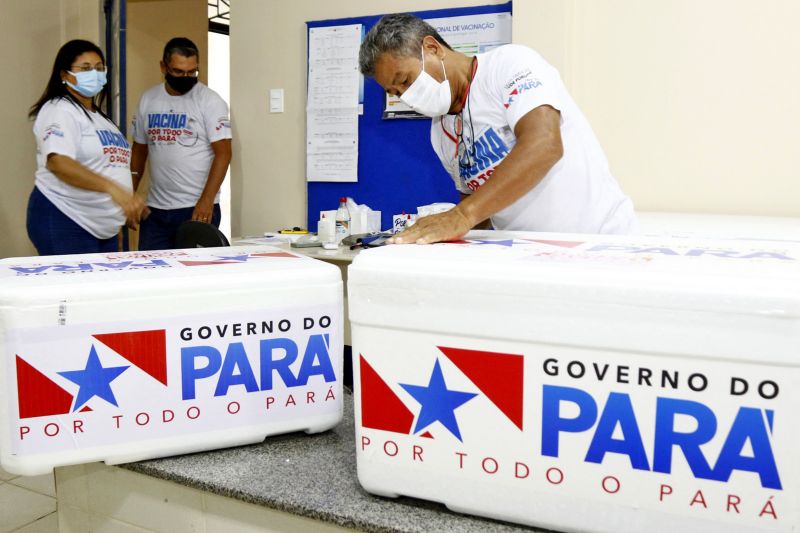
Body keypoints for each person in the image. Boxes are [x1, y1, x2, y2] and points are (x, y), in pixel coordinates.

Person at [358, 14, 638, 244]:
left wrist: (461, 216)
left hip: (599, 243)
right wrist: (442, 237)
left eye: (405, 80)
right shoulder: (440, 132)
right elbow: (477, 202)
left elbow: (544, 144)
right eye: (396, 92)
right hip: (529, 253)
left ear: (432, 48)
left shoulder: (508, 65)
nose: (406, 95)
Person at [27, 39, 145, 256]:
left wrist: (114, 220)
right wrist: (114, 190)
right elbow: (58, 162)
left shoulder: (101, 119)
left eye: (99, 68)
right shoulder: (59, 110)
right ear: (64, 75)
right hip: (67, 219)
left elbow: (110, 166)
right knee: (73, 290)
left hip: (102, 229)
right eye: (85, 68)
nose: (95, 73)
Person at [130, 37, 232, 250]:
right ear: (163, 66)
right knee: (153, 272)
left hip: (196, 208)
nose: (185, 77)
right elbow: (139, 151)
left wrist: (206, 201)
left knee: (195, 276)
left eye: (191, 72)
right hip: (156, 210)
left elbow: (224, 154)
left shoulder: (210, 101)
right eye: (178, 72)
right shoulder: (148, 99)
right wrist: (129, 194)